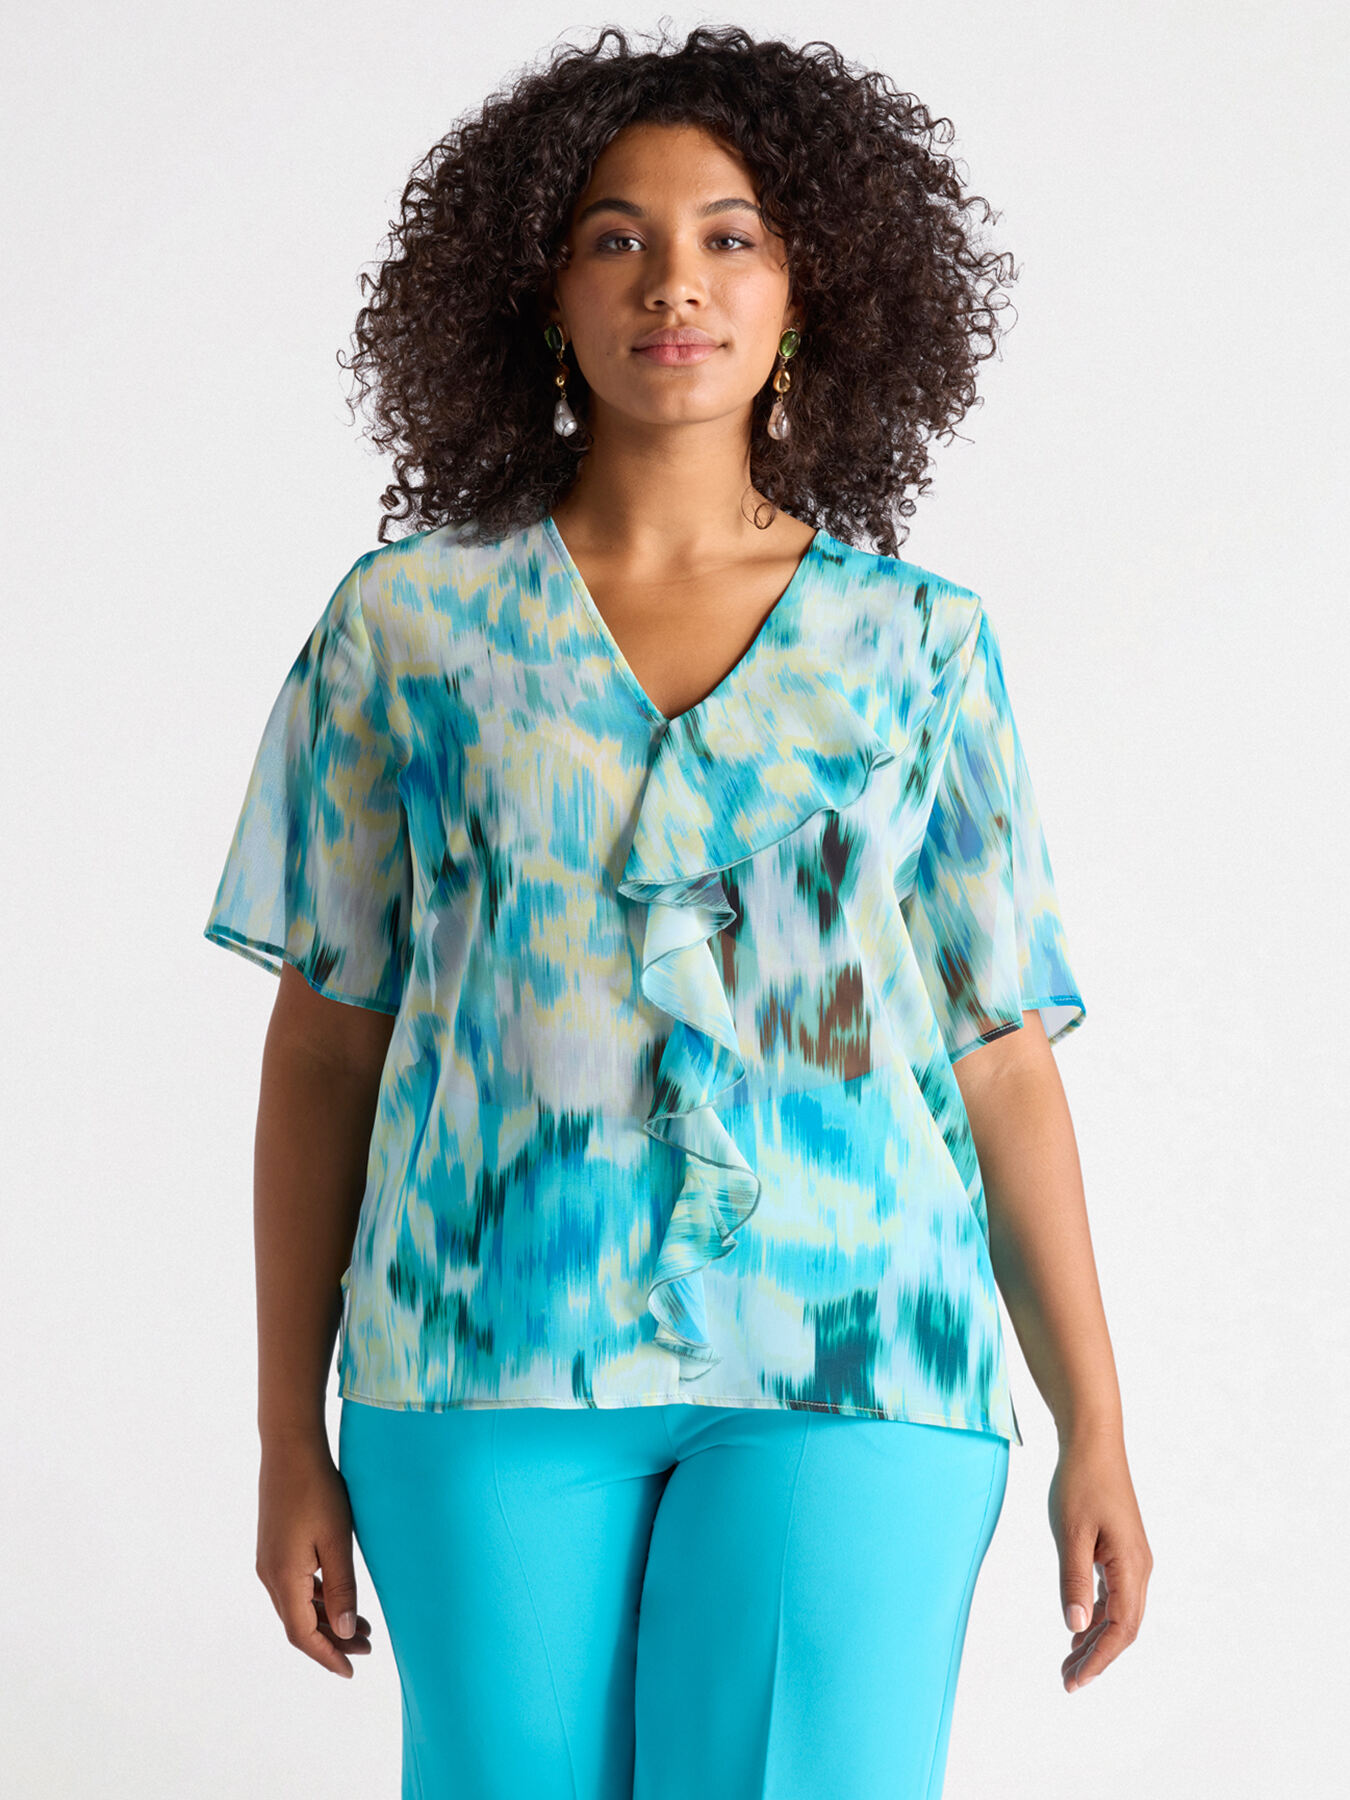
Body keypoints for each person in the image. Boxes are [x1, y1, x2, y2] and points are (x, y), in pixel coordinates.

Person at [203, 22, 1151, 1799]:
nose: (674, 282)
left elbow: (1000, 1056)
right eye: (613, 238)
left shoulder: (920, 645)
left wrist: (1094, 1426)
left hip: (863, 1359)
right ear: (539, 294)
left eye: (731, 237)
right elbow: (325, 1047)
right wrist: (281, 1432)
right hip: (475, 1362)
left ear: (808, 294)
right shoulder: (405, 628)